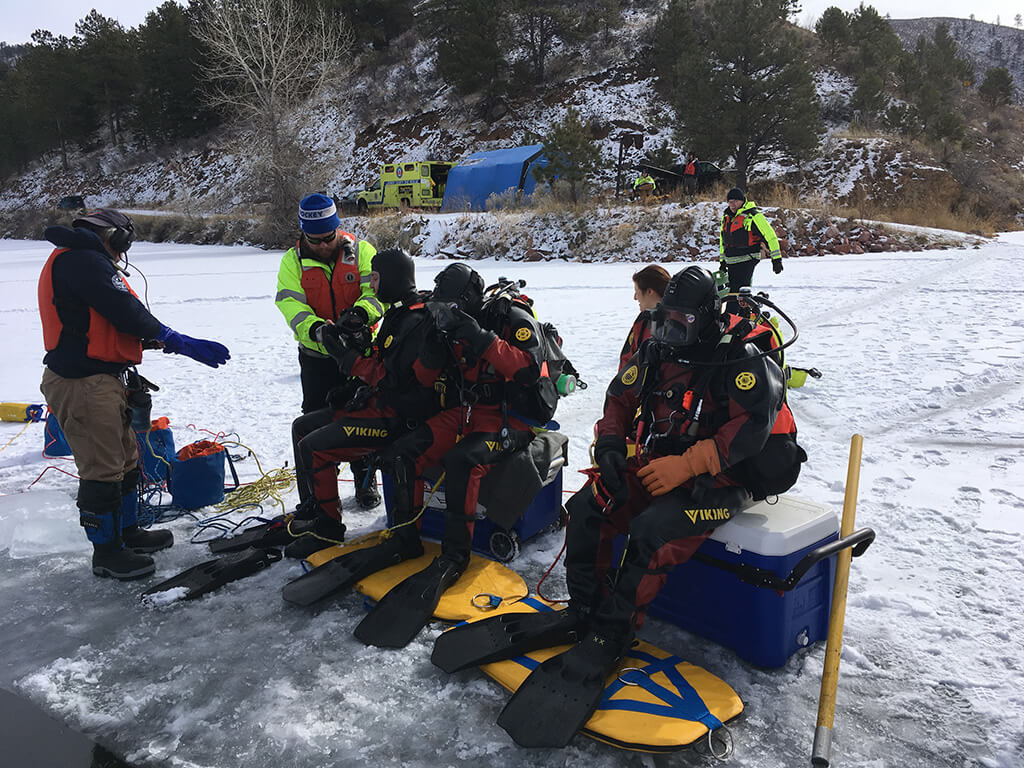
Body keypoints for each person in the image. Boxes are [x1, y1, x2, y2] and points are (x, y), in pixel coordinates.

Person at [434, 266, 805, 747]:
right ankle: (584, 609)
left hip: (727, 476)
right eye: (665, 320)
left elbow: (753, 428)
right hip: (665, 462)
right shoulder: (658, 347)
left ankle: (613, 632)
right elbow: (619, 398)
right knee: (588, 507)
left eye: (681, 323)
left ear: (706, 318)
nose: (670, 331)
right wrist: (610, 446)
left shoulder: (740, 358)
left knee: (652, 530)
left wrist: (689, 465)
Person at [38, 208, 230, 580]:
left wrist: (159, 342)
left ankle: (128, 532)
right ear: (115, 237)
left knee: (126, 460)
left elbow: (99, 322)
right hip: (83, 383)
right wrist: (173, 338)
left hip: (103, 379)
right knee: (102, 469)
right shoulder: (82, 260)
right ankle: (107, 553)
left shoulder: (83, 260)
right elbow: (124, 310)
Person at [285, 248, 454, 559]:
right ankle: (314, 509)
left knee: (315, 447)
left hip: (399, 418)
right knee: (302, 427)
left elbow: (393, 380)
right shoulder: (398, 314)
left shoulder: (417, 321)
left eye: (375, 279)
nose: (372, 286)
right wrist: (355, 354)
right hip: (379, 404)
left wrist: (345, 357)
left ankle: (328, 529)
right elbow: (380, 360)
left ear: (392, 279)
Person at [276, 193, 386, 510]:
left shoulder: (362, 251)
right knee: (315, 419)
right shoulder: (292, 262)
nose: (324, 245)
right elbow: (291, 305)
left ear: (338, 228)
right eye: (316, 240)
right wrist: (317, 330)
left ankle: (365, 481)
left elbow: (378, 293)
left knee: (364, 416)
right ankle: (317, 494)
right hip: (317, 357)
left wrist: (360, 315)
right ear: (303, 233)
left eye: (329, 237)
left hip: (360, 355)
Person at [718, 187, 783, 313]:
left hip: (748, 259)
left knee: (738, 290)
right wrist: (722, 261)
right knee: (734, 290)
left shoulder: (753, 215)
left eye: (735, 201)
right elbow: (723, 240)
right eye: (730, 202)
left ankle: (733, 316)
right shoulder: (726, 217)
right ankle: (741, 314)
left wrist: (776, 259)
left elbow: (770, 236)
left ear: (742, 201)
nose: (732, 205)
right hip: (731, 261)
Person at [619, 264, 670, 368]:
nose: (635, 297)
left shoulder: (644, 322)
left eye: (637, 291)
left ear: (650, 291)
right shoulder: (685, 321)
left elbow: (627, 362)